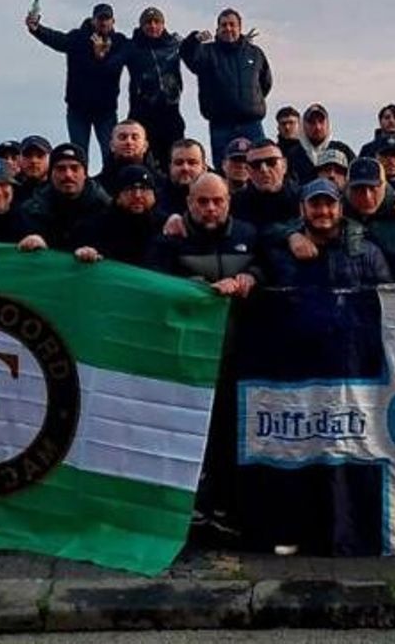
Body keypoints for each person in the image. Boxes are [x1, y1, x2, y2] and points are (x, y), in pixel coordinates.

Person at [148, 173, 259, 542]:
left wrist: (252, 278)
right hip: (188, 358)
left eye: (217, 201)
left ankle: (227, 510)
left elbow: (272, 262)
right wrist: (186, 290)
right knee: (190, 436)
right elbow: (153, 285)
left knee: (232, 437)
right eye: (202, 201)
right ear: (188, 203)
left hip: (236, 355)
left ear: (229, 201)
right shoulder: (170, 240)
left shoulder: (248, 233)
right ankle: (190, 512)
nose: (210, 208)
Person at [26, 2, 131, 166]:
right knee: (78, 156)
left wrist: (101, 57)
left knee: (110, 155)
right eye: (100, 19)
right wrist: (36, 29)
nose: (103, 22)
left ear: (113, 21)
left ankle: (110, 189)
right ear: (93, 20)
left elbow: (127, 56)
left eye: (107, 19)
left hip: (106, 111)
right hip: (78, 110)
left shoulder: (120, 42)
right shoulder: (77, 38)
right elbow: (56, 39)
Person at [179, 8, 273, 165]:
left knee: (258, 164)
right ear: (218, 29)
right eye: (224, 25)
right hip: (221, 124)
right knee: (224, 167)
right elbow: (187, 55)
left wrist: (251, 100)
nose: (228, 28)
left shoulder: (255, 53)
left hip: (251, 123)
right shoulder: (207, 52)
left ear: (239, 28)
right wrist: (194, 40)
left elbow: (266, 82)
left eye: (232, 24)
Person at [264, 180, 392, 288]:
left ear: (340, 209)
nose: (323, 211)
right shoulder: (282, 254)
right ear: (302, 209)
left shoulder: (368, 254)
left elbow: (386, 302)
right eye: (315, 204)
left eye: (330, 204)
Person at [18, 144, 112, 252]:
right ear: (51, 174)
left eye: (74, 168)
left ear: (85, 173)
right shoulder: (33, 210)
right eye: (61, 169)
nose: (68, 175)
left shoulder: (106, 209)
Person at [125, 6, 185, 170]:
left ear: (163, 24)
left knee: (174, 161)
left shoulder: (174, 43)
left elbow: (197, 54)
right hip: (142, 113)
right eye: (148, 23)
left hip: (171, 112)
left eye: (156, 22)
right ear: (141, 26)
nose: (152, 26)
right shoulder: (132, 47)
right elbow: (109, 64)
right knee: (144, 164)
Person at [73, 166, 167, 267]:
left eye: (144, 189)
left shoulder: (165, 226)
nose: (137, 195)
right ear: (118, 196)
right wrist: (86, 253)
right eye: (130, 189)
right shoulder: (98, 226)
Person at [230, 139, 301, 233]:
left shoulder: (302, 198)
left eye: (271, 162)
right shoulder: (236, 205)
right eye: (256, 164)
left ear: (284, 165)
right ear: (248, 170)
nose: (264, 169)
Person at [284, 104, 354, 184]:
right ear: (303, 126)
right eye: (312, 122)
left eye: (321, 121)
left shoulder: (343, 150)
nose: (317, 127)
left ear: (328, 124)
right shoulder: (293, 155)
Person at [92, 121, 165, 195]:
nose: (129, 142)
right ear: (111, 145)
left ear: (145, 146)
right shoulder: (95, 187)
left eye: (135, 138)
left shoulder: (163, 185)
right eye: (122, 137)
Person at [164, 139, 209, 213]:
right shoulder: (155, 200)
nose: (185, 168)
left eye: (192, 163)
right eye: (179, 163)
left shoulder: (217, 199)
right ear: (170, 167)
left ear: (204, 168)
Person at [13, 136, 52, 208]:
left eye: (40, 156)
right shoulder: (11, 192)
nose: (34, 161)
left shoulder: (59, 190)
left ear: (50, 159)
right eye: (28, 156)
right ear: (19, 159)